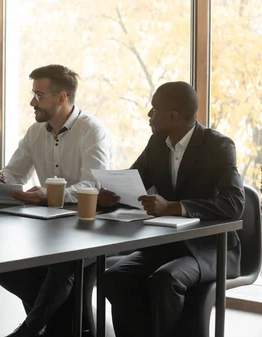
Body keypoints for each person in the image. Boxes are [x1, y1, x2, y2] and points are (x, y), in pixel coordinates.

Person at [98, 81, 245, 337]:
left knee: (166, 279)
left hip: (211, 248)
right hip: (168, 244)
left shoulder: (219, 147)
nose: (149, 115)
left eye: (153, 109)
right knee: (113, 277)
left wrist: (177, 208)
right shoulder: (156, 144)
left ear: (173, 115)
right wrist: (112, 195)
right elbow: (133, 180)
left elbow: (234, 204)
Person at [0, 64, 112, 337]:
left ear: (62, 98)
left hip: (88, 228)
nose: (32, 102)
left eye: (39, 95)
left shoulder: (92, 130)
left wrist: (51, 195)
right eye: (33, 94)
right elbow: (14, 173)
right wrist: (1, 180)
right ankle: (54, 324)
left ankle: (28, 331)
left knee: (62, 266)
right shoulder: (35, 131)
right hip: (45, 227)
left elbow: (94, 184)